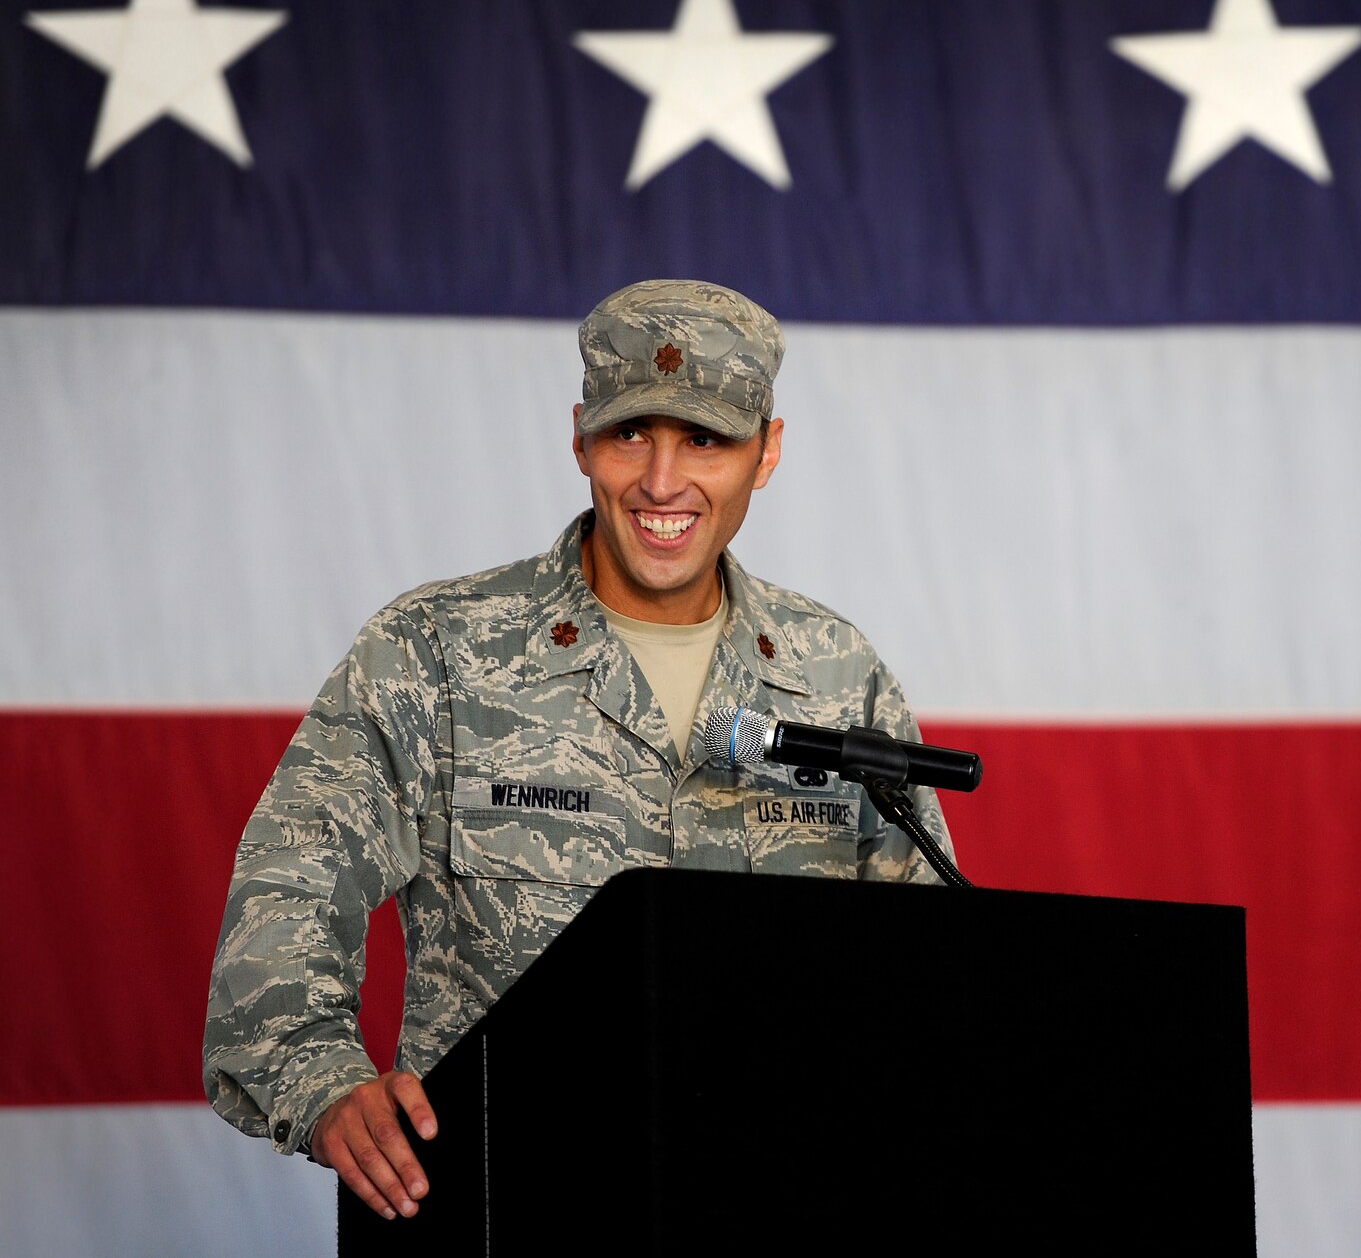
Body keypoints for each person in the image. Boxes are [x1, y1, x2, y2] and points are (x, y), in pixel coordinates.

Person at [202, 279, 956, 1222]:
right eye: (630, 432)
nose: (661, 482)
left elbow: (935, 975)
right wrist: (323, 1082)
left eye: (706, 440)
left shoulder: (839, 675)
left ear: (767, 452)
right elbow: (286, 889)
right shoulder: (436, 652)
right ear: (579, 438)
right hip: (508, 1207)